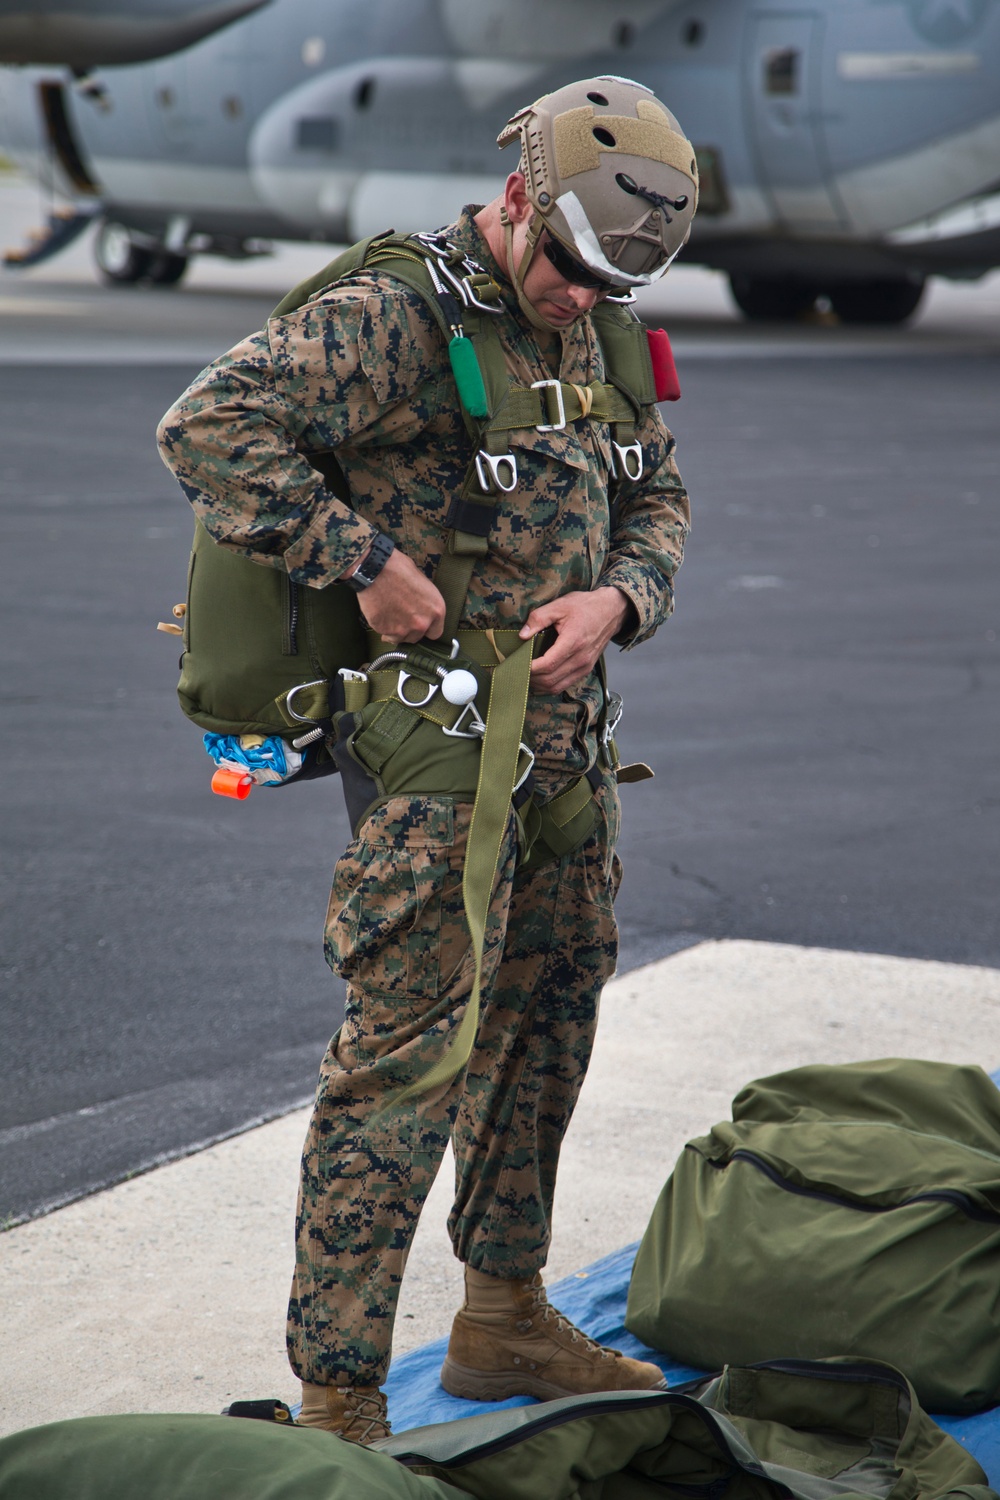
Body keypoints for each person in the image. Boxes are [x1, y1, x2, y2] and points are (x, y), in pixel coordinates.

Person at [157, 74, 696, 1446]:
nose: (583, 299)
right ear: (519, 200)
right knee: (406, 1061)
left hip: (567, 746)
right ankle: (339, 1398)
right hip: (433, 750)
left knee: (546, 1028)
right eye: (568, 269)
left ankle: (502, 1318)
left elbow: (659, 488)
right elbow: (209, 426)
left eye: (609, 281)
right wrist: (370, 564)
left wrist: (623, 596)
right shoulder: (398, 317)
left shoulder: (603, 316)